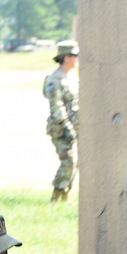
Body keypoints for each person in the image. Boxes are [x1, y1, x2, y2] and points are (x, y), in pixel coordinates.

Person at [43, 39, 80, 203]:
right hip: (61, 128)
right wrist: (67, 127)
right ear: (66, 57)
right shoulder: (54, 79)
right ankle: (55, 198)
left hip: (76, 126)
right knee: (68, 161)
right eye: (75, 55)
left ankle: (65, 196)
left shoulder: (71, 78)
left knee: (75, 162)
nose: (77, 59)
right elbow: (56, 105)